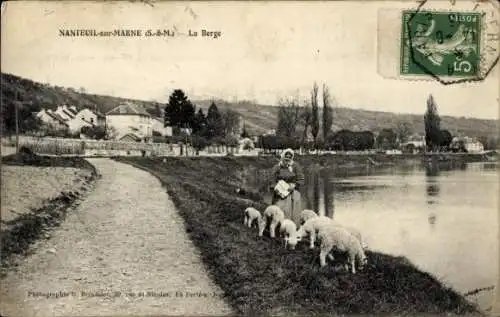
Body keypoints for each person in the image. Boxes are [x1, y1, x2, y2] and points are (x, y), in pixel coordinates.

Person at [269, 148, 305, 225]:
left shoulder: (295, 166)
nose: (287, 158)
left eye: (289, 157)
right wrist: (276, 188)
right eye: (286, 156)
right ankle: (278, 226)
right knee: (279, 210)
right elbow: (272, 179)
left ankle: (291, 227)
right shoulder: (277, 167)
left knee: (293, 211)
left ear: (292, 158)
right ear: (283, 156)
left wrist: (294, 185)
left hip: (293, 191)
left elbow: (301, 179)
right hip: (280, 192)